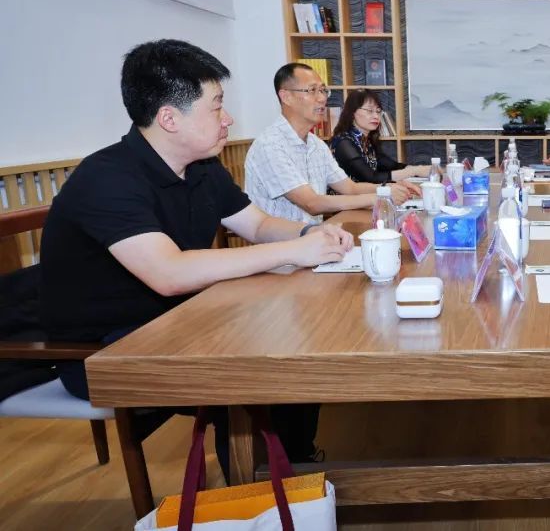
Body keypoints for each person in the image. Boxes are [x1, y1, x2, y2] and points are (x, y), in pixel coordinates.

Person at [39, 40, 353, 476]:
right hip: (105, 350)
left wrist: (308, 233)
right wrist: (294, 251)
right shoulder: (107, 178)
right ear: (169, 118)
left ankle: (294, 471)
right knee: (260, 372)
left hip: (184, 319)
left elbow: (258, 224)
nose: (228, 119)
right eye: (217, 106)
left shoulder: (202, 167)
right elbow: (168, 273)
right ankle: (261, 490)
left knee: (298, 338)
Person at [245, 63, 414, 223]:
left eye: (323, 90)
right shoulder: (270, 145)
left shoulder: (317, 145)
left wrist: (389, 188)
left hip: (315, 235)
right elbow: (311, 203)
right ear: (286, 97)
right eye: (312, 90)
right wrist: (381, 196)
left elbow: (350, 188)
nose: (322, 99)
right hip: (283, 242)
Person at [329, 90, 429, 184]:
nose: (376, 116)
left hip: (367, 194)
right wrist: (413, 171)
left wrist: (420, 169)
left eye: (378, 111)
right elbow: (371, 178)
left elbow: (391, 166)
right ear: (352, 113)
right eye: (370, 110)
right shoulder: (344, 142)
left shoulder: (366, 141)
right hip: (346, 197)